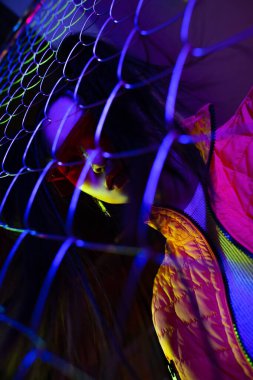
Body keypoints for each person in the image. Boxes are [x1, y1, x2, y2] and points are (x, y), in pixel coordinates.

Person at [43, 33, 253, 380]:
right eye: (72, 160)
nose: (97, 161)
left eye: (97, 128)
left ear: (132, 98)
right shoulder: (169, 307)